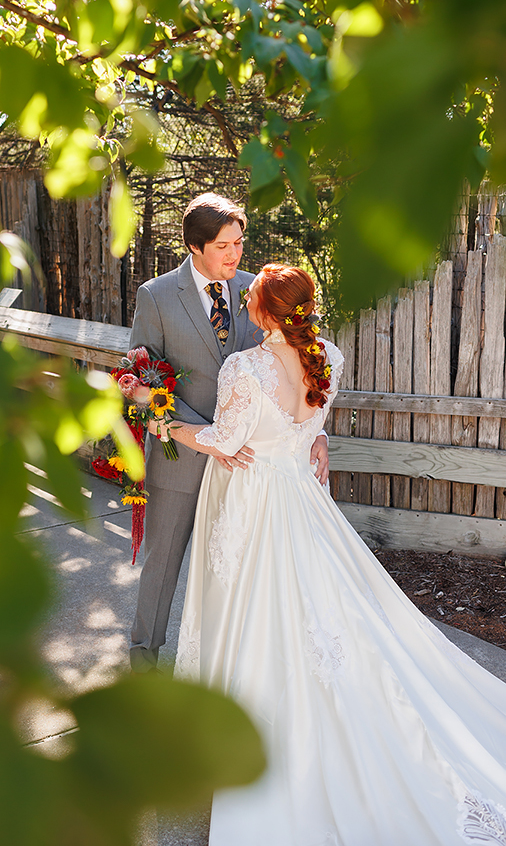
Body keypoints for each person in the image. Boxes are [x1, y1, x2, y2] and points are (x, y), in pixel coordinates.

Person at [165, 264, 506, 846]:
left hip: (256, 503)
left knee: (259, 609)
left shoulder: (243, 367)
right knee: (322, 608)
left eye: (252, 296)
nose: (245, 297)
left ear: (265, 311)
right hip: (303, 497)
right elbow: (310, 420)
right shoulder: (330, 355)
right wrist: (316, 438)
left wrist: (168, 425)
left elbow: (226, 442)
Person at [129, 195, 330, 674]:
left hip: (249, 468)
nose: (236, 254)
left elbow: (305, 361)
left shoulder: (255, 290)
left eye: (239, 242)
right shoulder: (155, 295)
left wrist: (316, 434)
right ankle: (143, 661)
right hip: (183, 457)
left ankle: (231, 665)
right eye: (224, 245)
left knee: (237, 570)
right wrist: (203, 434)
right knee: (162, 564)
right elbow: (140, 371)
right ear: (195, 246)